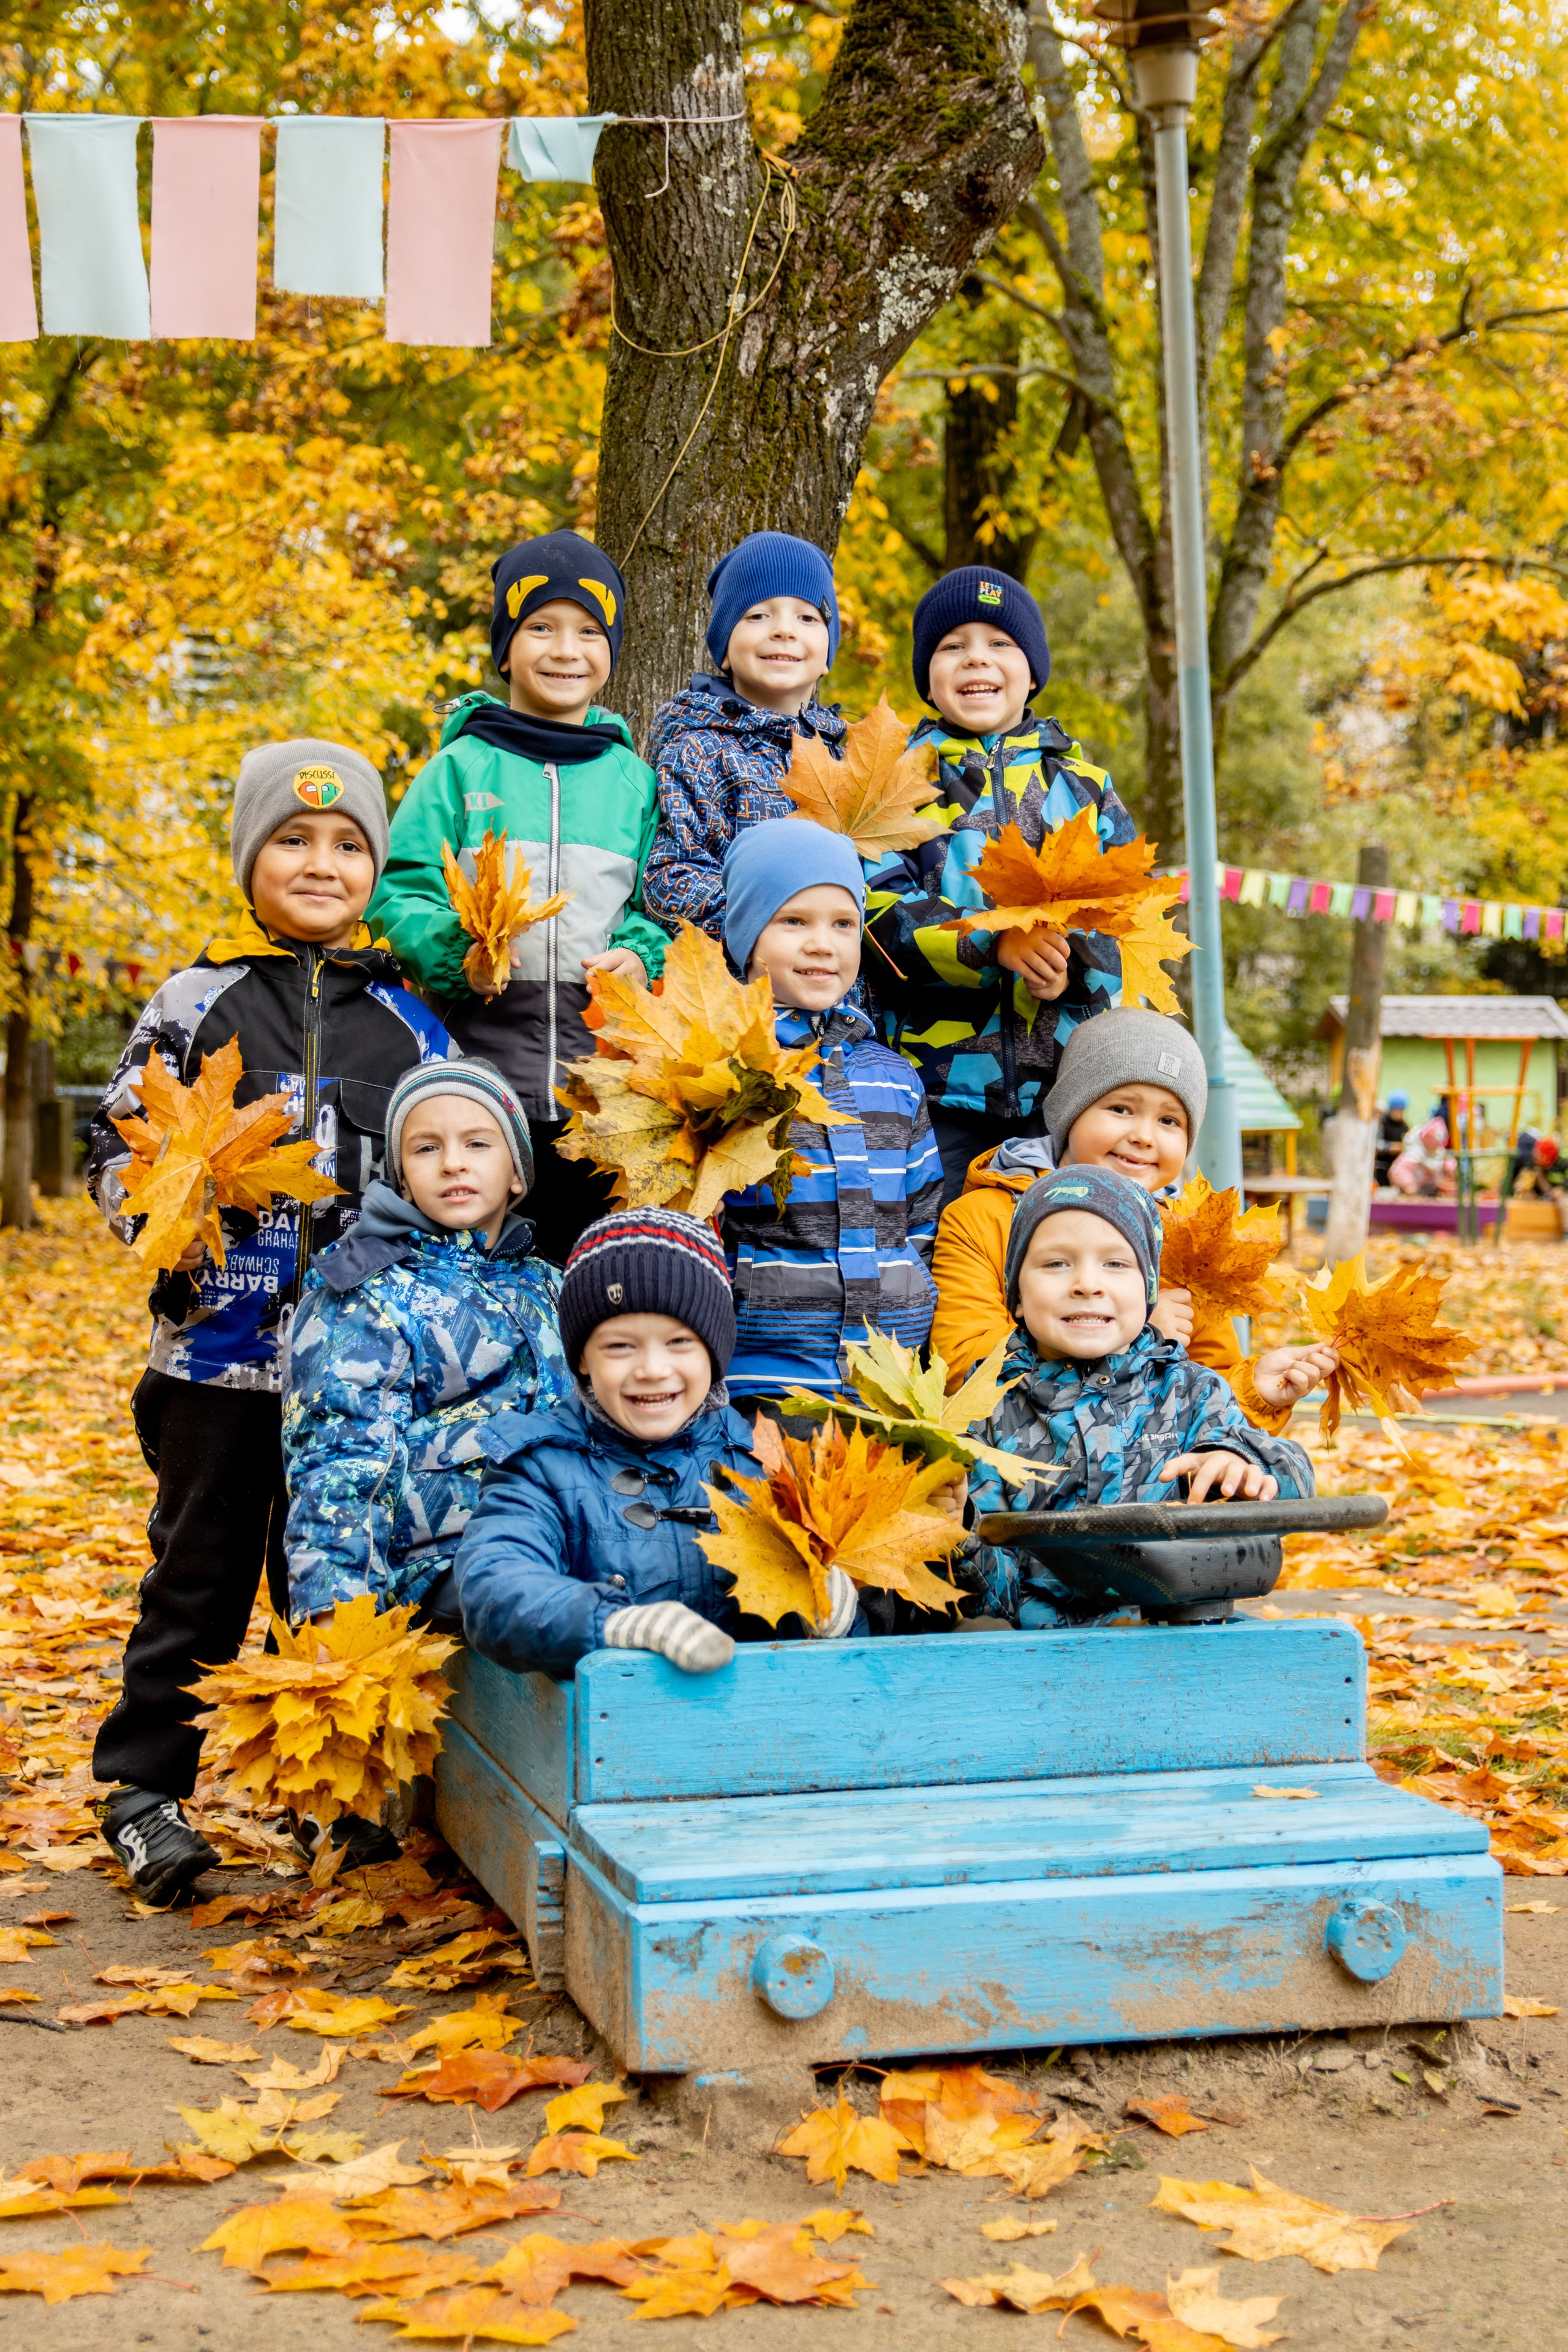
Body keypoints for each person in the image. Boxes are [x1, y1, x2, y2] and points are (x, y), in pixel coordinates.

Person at [86, 739, 454, 1904]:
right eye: (292, 841)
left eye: (348, 845)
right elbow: (117, 1144)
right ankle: (146, 1792)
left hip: (352, 1373)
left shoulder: (405, 1016)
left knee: (332, 1579)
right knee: (196, 1577)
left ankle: (333, 1801)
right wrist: (159, 1210)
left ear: (374, 869)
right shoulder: (192, 1004)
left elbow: (452, 1152)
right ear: (249, 859)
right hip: (215, 1361)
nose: (320, 862)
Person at [368, 532, 668, 1264]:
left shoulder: (635, 781)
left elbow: (656, 905)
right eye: (541, 627)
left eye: (588, 632)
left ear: (612, 650)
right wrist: (454, 954)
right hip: (475, 1089)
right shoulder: (457, 768)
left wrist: (639, 955)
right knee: (476, 1274)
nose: (565, 649)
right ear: (506, 648)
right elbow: (398, 891)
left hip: (601, 1095)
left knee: (587, 1276)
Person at [454, 1208, 863, 1676]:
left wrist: (834, 1619)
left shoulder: (760, 1459)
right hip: (611, 1736)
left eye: (679, 1343)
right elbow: (496, 1588)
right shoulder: (541, 1467)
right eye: (619, 1346)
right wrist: (615, 1624)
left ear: (715, 1351)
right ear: (583, 1359)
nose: (652, 1369)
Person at [861, 566, 1137, 1207]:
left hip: (1066, 1087)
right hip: (939, 1091)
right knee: (950, 1252)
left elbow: (1128, 920)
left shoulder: (1083, 787)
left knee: (1061, 1250)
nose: (975, 659)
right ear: (926, 676)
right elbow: (879, 914)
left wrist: (1073, 969)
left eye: (999, 644)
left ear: (1033, 671)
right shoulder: (900, 782)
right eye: (952, 646)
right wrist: (993, 947)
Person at [931, 1008, 1336, 1431]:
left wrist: (1254, 1391)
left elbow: (1211, 1397)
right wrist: (1136, 1342)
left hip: (1151, 1483)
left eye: (1169, 1120)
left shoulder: (1188, 1245)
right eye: (1122, 1108)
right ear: (1071, 1111)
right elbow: (966, 1369)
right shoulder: (985, 1219)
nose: (1145, 1135)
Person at [963, 1167, 1314, 1627]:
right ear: (1018, 1295)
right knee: (975, 1631)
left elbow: (1294, 1480)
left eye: (1116, 1264)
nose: (1088, 1284)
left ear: (1149, 1290)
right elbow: (989, 1586)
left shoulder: (1190, 1392)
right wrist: (959, 1532)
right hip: (1033, 1646)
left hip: (1177, 1633)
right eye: (1055, 1263)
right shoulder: (985, 1408)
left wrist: (1241, 1460)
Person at [717, 818, 943, 1402]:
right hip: (764, 1374)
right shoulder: (725, 1071)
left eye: (844, 924)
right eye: (794, 921)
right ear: (746, 936)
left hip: (889, 1378)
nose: (823, 943)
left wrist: (913, 1293)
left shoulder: (894, 1077)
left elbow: (922, 1216)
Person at [641, 531, 846, 940]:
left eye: (807, 618)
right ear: (723, 646)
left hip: (844, 994)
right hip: (742, 987)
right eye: (758, 616)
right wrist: (770, 922)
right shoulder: (699, 749)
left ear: (828, 653)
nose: (784, 631)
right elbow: (672, 877)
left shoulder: (849, 753)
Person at [1375, 1090, 1409, 1186]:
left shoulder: (1404, 1126)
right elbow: (1376, 1145)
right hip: (1382, 1168)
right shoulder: (1382, 1123)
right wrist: (1391, 1147)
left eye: (1402, 1110)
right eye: (1397, 1110)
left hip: (1398, 1168)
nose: (1399, 1113)